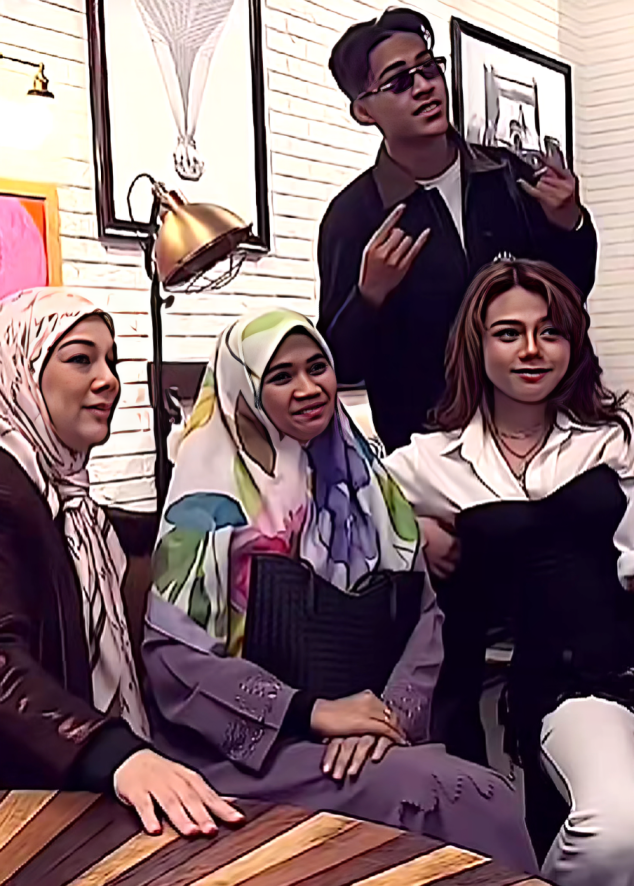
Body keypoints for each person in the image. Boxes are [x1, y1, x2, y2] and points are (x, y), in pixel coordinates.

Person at [142, 307, 537, 873]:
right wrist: (313, 714)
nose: (308, 388)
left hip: (364, 730)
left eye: (317, 367)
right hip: (256, 750)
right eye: (281, 376)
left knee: (475, 795)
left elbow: (424, 616)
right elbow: (173, 659)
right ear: (243, 389)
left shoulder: (366, 482)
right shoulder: (205, 508)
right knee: (464, 797)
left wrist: (384, 721)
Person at [385, 259, 634, 885]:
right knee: (615, 829)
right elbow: (347, 498)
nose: (531, 350)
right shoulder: (433, 461)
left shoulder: (613, 438)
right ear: (476, 343)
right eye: (508, 333)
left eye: (550, 332)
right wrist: (418, 531)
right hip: (573, 687)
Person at [0, 287, 244, 837]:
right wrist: (115, 754)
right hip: (26, 809)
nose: (108, 379)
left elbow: (119, 528)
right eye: (80, 359)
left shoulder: (62, 497)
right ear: (19, 371)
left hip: (65, 783)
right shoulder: (7, 490)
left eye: (111, 361)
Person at [317, 7, 597, 458]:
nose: (424, 87)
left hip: (539, 434)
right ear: (364, 111)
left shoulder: (510, 177)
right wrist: (368, 296)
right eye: (399, 82)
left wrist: (570, 223)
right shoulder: (354, 216)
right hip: (431, 449)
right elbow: (339, 364)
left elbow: (570, 296)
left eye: (428, 69)